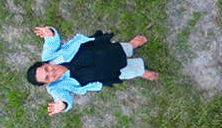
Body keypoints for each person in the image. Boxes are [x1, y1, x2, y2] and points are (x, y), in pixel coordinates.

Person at [24, 26, 157, 115]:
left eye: (46, 69)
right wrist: (62, 106)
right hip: (99, 74)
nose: (51, 72)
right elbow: (64, 99)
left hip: (97, 52)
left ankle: (131, 46)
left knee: (118, 49)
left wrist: (50, 33)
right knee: (124, 71)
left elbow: (52, 41)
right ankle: (141, 71)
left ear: (44, 63)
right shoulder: (54, 88)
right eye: (47, 78)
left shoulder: (49, 56)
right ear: (46, 84)